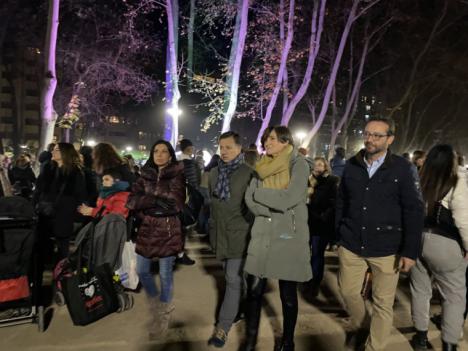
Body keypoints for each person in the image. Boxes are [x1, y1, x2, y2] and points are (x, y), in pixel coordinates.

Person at [336, 116, 424, 351]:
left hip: (387, 247)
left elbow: (414, 211)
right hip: (352, 243)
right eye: (367, 134)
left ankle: (373, 347)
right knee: (348, 292)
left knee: (383, 304)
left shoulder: (404, 169)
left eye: (377, 135)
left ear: (390, 139)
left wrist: (410, 251)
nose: (370, 139)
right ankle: (366, 327)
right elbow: (342, 201)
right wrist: (338, 234)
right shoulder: (352, 164)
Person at [243, 126, 311, 351]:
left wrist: (261, 196)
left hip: (288, 234)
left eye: (272, 138)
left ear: (285, 141)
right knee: (254, 291)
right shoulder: (260, 166)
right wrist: (267, 207)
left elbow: (289, 197)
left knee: (287, 293)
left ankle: (287, 342)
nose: (267, 142)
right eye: (265, 138)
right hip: (262, 230)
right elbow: (248, 199)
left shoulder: (298, 163)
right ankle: (250, 341)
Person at [410, 144, 468, 351]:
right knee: (454, 296)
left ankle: (420, 336)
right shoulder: (456, 181)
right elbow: (463, 219)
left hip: (417, 239)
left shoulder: (418, 179)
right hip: (445, 242)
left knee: (420, 290)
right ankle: (449, 344)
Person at [126, 140, 186, 339]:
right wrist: (153, 201)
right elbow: (131, 201)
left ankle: (163, 312)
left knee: (165, 274)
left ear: (170, 155)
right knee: (142, 270)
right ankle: (156, 303)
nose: (159, 154)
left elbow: (175, 205)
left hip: (168, 230)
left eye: (164, 151)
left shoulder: (177, 174)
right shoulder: (144, 175)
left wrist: (148, 201)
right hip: (147, 229)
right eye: (156, 151)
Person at [207, 132, 254, 348]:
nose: (224, 151)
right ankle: (240, 307)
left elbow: (254, 208)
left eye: (229, 147)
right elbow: (211, 204)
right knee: (238, 280)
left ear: (239, 149)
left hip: (240, 235)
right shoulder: (214, 173)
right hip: (219, 235)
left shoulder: (250, 174)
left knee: (232, 279)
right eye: (221, 147)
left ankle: (222, 327)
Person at [34, 143, 88, 278]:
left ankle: (60, 278)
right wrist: (36, 204)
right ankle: (39, 278)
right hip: (45, 214)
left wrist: (77, 216)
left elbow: (80, 196)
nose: (53, 151)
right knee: (42, 247)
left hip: (64, 214)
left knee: (62, 247)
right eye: (53, 149)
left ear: (65, 153)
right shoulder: (47, 168)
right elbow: (39, 189)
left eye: (57, 150)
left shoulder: (76, 172)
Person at [306, 156, 339, 296]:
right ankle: (306, 278)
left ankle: (314, 283)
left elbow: (334, 202)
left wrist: (323, 216)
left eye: (320, 164)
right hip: (306, 222)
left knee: (317, 255)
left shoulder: (331, 181)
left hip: (321, 224)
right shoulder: (308, 180)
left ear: (325, 167)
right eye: (315, 164)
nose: (317, 166)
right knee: (305, 253)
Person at [176, 138, 201, 265]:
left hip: (173, 199)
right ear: (189, 148)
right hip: (185, 200)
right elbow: (193, 183)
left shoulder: (174, 161)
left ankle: (175, 253)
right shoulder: (190, 163)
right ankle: (180, 255)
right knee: (182, 228)